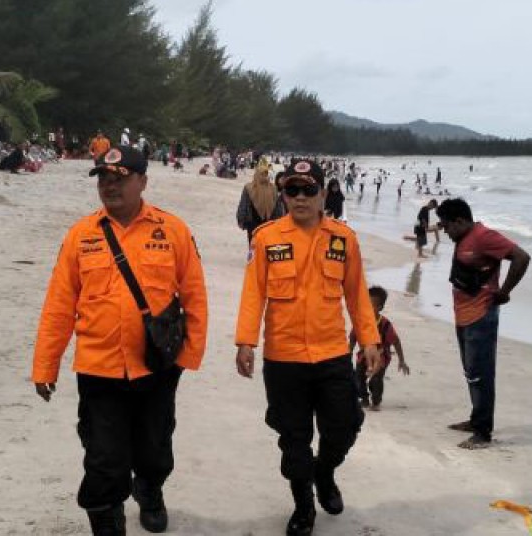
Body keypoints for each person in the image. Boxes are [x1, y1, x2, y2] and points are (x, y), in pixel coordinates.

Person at [32, 146, 208, 536]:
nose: (110, 186)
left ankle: (150, 490)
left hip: (156, 367)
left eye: (120, 178)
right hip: (99, 369)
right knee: (104, 461)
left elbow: (195, 296)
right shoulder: (80, 236)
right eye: (104, 179)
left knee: (154, 447)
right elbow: (58, 306)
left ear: (142, 182)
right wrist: (45, 365)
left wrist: (186, 358)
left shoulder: (173, 230)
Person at [236, 158, 382, 536]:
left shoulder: (343, 238)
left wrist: (369, 338)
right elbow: (253, 294)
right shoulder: (266, 237)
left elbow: (357, 295)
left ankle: (325, 472)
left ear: (322, 193)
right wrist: (246, 341)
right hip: (284, 360)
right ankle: (303, 506)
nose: (299, 197)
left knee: (346, 426)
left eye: (308, 190)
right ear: (284, 194)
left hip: (331, 353)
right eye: (292, 190)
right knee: (294, 440)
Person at [436, 198, 531, 449]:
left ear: (460, 221)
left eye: (447, 226)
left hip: (481, 317)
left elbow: (521, 257)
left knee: (481, 375)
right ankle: (476, 419)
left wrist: (505, 291)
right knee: (471, 372)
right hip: (463, 315)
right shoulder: (463, 239)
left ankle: (483, 433)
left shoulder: (483, 236)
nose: (445, 232)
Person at [349, 286, 409, 411]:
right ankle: (364, 399)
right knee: (358, 377)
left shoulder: (385, 325)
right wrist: (347, 355)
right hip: (363, 357)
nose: (366, 309)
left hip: (381, 358)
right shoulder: (360, 322)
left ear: (380, 307)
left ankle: (376, 400)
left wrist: (401, 361)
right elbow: (352, 339)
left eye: (371, 306)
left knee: (376, 380)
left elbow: (396, 342)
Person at [236, 160, 287, 242]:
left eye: (266, 174)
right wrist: (241, 219)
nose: (265, 176)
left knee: (263, 246)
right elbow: (244, 204)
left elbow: (277, 206)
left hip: (267, 222)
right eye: (263, 174)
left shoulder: (272, 188)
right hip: (256, 222)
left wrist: (280, 220)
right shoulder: (249, 188)